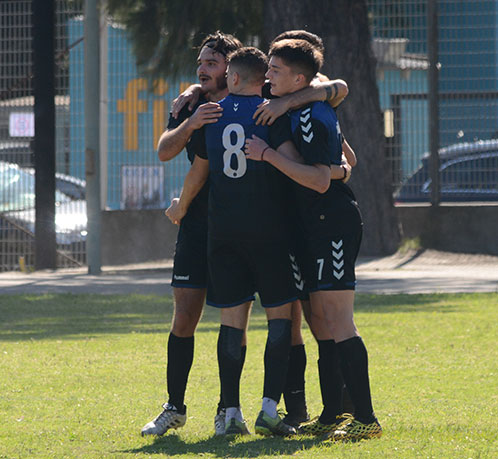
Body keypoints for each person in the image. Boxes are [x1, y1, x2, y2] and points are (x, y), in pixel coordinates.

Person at [244, 38, 383, 440]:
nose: (268, 77)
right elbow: (346, 162)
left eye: (275, 70)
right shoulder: (295, 103)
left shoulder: (310, 113)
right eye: (267, 69)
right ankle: (332, 414)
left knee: (339, 321)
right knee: (321, 322)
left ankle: (366, 420)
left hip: (331, 224)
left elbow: (323, 180)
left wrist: (268, 155)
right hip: (307, 228)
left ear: (299, 79)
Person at [166, 46, 302, 437]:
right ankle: (269, 409)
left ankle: (230, 413)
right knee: (280, 316)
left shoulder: (212, 117)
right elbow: (291, 165)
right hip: (268, 231)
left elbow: (199, 172)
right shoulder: (271, 114)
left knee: (231, 320)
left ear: (234, 78)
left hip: (222, 233)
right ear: (264, 81)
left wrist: (181, 207)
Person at [141, 31, 243, 437]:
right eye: (200, 62)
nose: (202, 69)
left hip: (239, 223)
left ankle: (228, 409)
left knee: (234, 318)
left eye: (212, 63)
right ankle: (174, 407)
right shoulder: (191, 103)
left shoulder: (253, 96)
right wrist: (192, 120)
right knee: (184, 317)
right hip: (196, 224)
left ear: (231, 70)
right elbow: (165, 150)